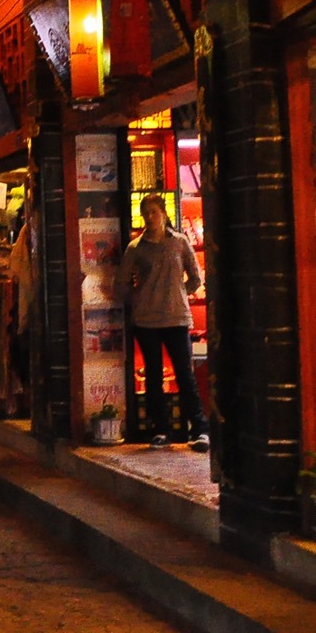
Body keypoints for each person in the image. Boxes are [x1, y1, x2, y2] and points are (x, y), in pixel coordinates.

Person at [117, 193, 210, 452]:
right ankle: (160, 429)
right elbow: (122, 283)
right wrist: (138, 298)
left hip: (176, 317)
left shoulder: (179, 243)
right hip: (146, 320)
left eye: (154, 212)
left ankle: (200, 429)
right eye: (145, 213)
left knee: (184, 373)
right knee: (153, 375)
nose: (150, 217)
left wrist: (178, 292)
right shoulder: (136, 248)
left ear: (164, 214)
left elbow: (195, 277)